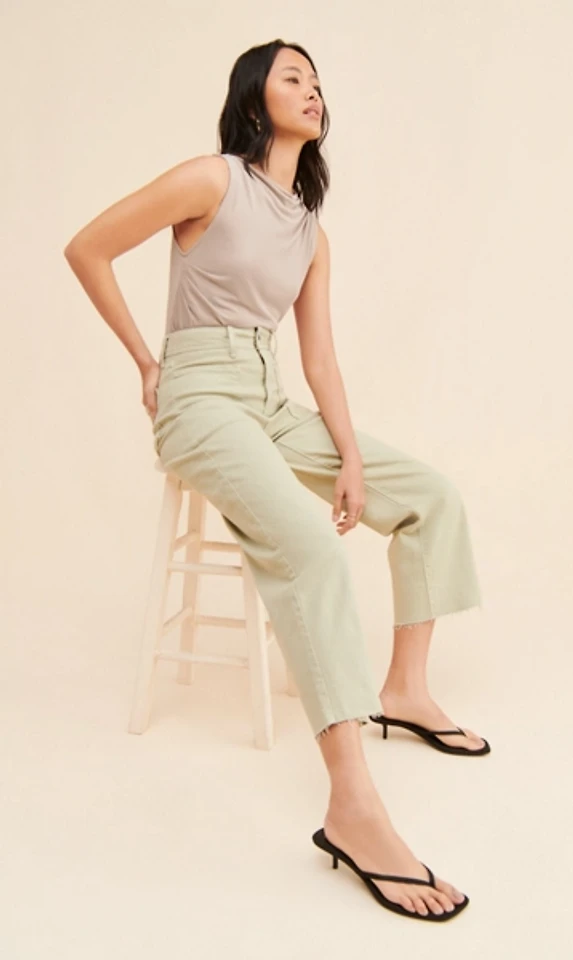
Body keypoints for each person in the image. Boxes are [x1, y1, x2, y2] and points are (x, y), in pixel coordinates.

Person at [63, 37, 489, 922]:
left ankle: (404, 690)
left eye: (319, 81)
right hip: (200, 398)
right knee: (311, 553)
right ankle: (353, 806)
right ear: (255, 98)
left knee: (430, 495)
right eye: (294, 77)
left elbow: (319, 359)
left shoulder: (309, 232)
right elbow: (87, 248)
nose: (313, 90)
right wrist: (147, 362)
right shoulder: (210, 180)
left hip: (270, 397)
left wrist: (352, 458)